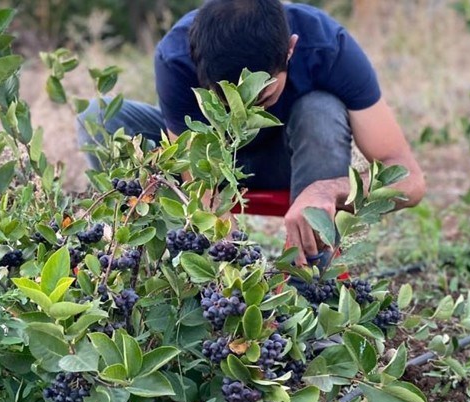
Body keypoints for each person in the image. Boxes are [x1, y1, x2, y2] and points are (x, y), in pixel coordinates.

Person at [77, 0, 426, 266]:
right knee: (100, 115)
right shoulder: (176, 56)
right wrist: (241, 276)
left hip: (291, 164)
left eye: (263, 97)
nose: (243, 116)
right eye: (223, 101)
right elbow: (203, 191)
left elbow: (410, 182)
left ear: (290, 49)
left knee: (321, 108)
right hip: (214, 166)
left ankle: (313, 279)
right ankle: (159, 264)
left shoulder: (328, 46)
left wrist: (328, 191)